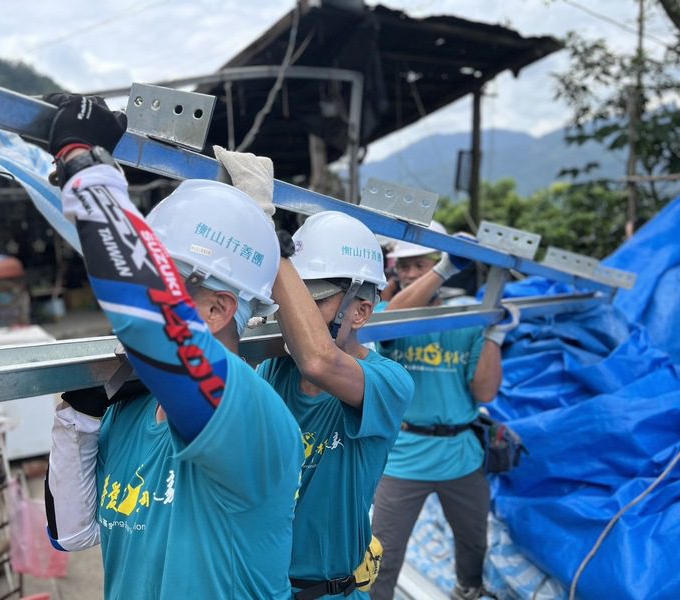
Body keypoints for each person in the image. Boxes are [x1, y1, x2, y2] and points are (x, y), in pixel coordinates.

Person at [41, 95, 303, 599]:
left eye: (168, 274)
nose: (148, 282)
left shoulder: (255, 418)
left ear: (215, 310)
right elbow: (73, 534)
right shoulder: (132, 412)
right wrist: (78, 420)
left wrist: (84, 164)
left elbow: (148, 318)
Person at [236, 174, 414, 599]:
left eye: (310, 300)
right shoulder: (273, 370)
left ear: (361, 312)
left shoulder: (389, 384)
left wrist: (270, 242)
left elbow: (319, 360)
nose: (290, 311)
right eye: (286, 299)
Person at [369, 225, 519, 600]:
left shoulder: (464, 318)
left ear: (436, 262)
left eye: (421, 264)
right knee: (382, 554)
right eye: (405, 267)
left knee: (473, 540)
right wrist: (447, 267)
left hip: (459, 455)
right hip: (404, 455)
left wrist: (493, 337)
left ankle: (468, 588)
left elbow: (484, 390)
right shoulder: (391, 314)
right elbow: (384, 323)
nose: (411, 273)